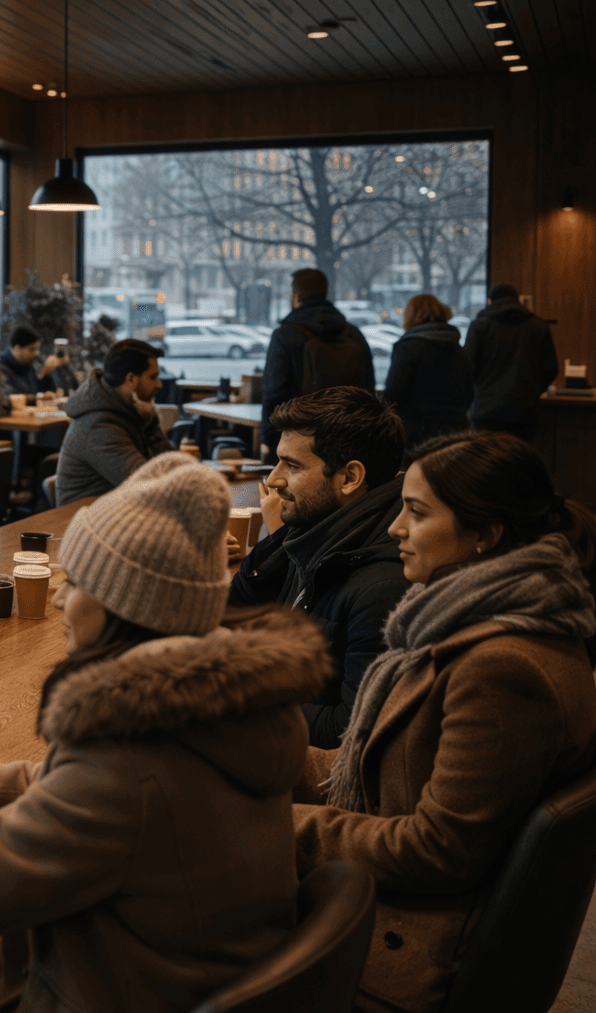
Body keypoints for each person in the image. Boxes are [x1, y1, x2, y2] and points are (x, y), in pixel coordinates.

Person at [0, 452, 331, 1013]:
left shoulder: (127, 761)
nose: (56, 598)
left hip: (104, 992)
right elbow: (59, 788)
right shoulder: (234, 706)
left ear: (126, 604)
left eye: (73, 582)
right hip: (168, 976)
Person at [293, 431, 596, 1013]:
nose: (394, 529)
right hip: (392, 906)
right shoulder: (470, 622)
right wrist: (257, 752)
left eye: (416, 511)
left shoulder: (503, 668)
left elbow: (438, 850)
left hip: (405, 947)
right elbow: (376, 775)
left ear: (485, 535)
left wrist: (276, 827)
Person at [231, 386, 412, 748]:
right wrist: (275, 542)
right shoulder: (313, 528)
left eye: (293, 466)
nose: (273, 480)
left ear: (349, 478)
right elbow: (232, 610)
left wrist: (237, 701)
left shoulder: (382, 586)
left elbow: (349, 728)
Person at [259, 268, 374, 458]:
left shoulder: (285, 335)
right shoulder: (353, 333)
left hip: (300, 438)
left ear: (296, 296)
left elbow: (274, 393)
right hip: (346, 437)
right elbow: (367, 388)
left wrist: (270, 442)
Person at [55, 338, 171, 503]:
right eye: (153, 377)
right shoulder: (100, 427)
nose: (159, 385)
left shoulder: (128, 408)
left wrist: (151, 425)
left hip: (115, 508)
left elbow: (171, 466)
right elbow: (148, 487)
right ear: (131, 379)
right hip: (86, 516)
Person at [465, 282, 558, 442]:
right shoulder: (539, 326)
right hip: (524, 411)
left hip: (486, 410)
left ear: (490, 300)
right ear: (517, 299)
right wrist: (531, 390)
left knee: (486, 456)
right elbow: (551, 368)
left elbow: (468, 367)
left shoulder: (479, 326)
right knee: (518, 456)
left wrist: (480, 390)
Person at [383, 293, 474, 450]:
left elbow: (393, 393)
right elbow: (468, 394)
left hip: (417, 434)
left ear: (410, 315)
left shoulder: (407, 348)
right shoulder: (458, 349)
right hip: (455, 432)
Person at [0, 325, 68, 396]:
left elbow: (37, 392)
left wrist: (46, 374)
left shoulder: (26, 363)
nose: (37, 353)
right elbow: (13, 397)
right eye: (32, 349)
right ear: (17, 349)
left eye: (37, 349)